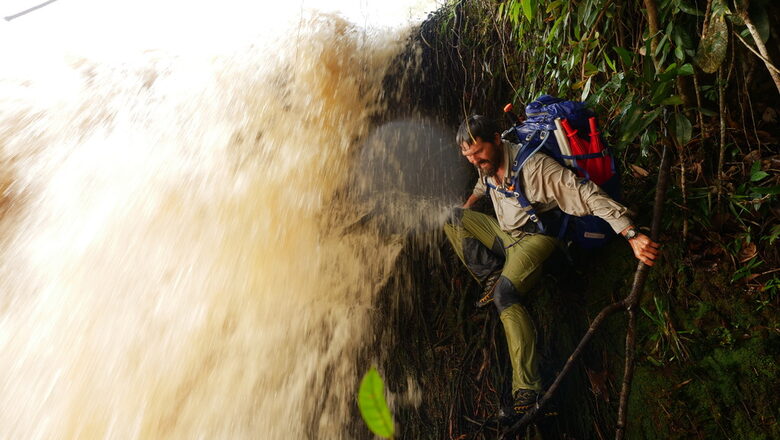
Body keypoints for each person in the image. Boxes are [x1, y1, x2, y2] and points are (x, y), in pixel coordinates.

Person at [444, 115, 659, 420]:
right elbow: (482, 184)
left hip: (536, 240)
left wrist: (631, 234)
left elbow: (584, 193)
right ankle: (490, 275)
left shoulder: (535, 169)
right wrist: (467, 208)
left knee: (505, 296)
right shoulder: (487, 165)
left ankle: (527, 391)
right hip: (507, 236)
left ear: (496, 139)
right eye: (467, 156)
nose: (474, 161)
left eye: (477, 152)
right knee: (452, 218)